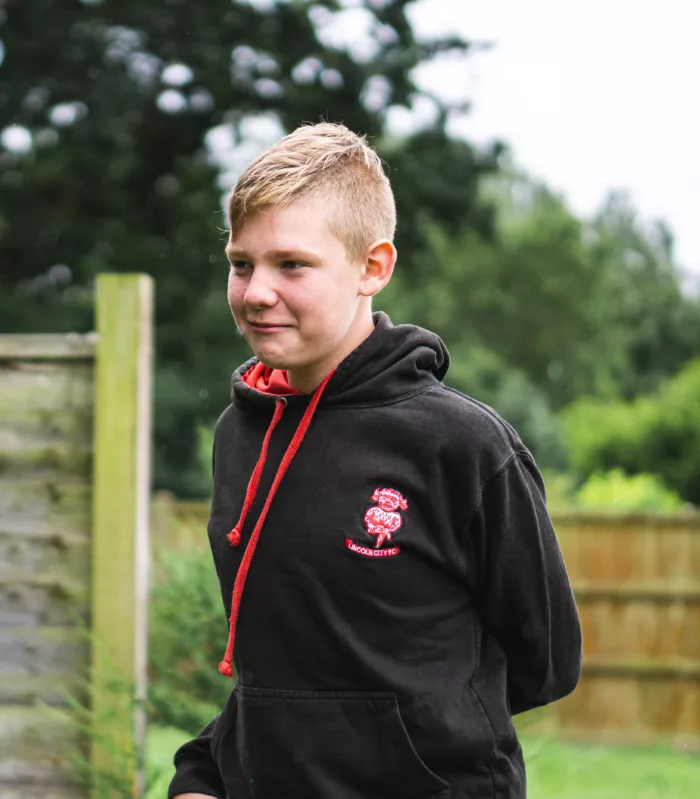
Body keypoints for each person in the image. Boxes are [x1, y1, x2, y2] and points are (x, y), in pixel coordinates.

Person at [168, 122, 582, 799]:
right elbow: (278, 664)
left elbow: (547, 661)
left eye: (291, 264)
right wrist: (204, 774)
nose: (256, 291)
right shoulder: (238, 434)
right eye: (242, 263)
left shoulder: (464, 447)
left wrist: (405, 738)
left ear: (373, 267)